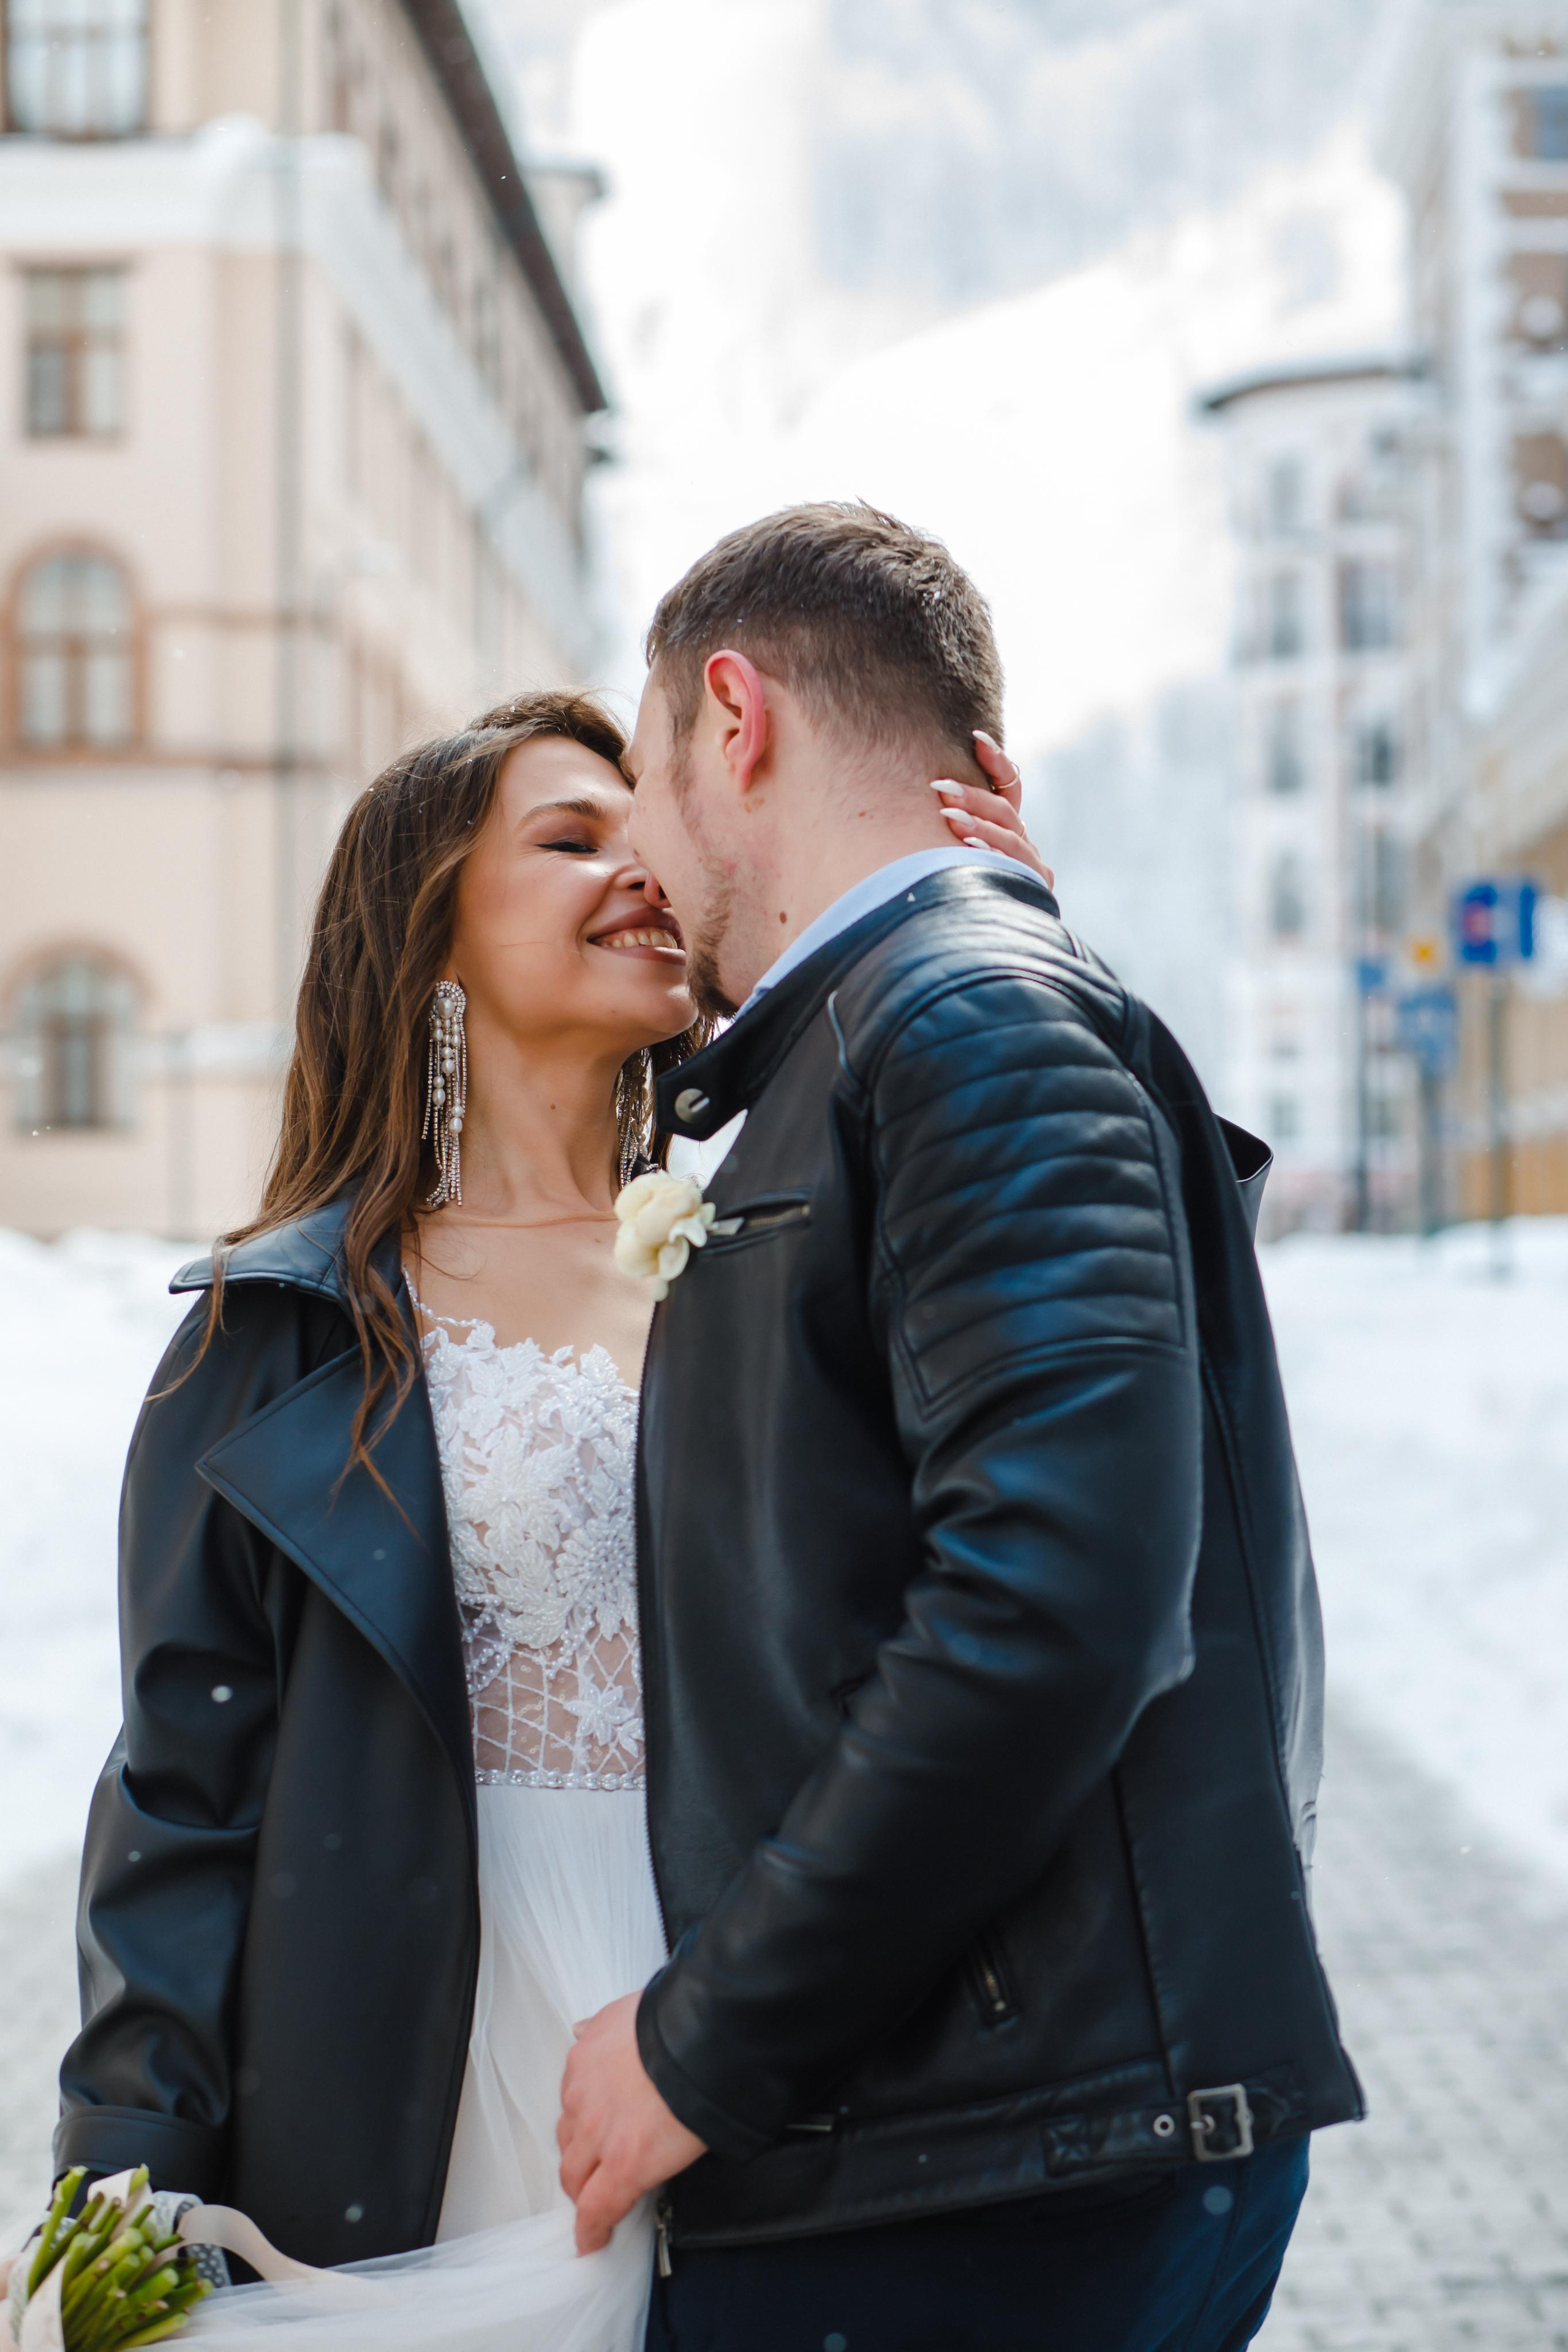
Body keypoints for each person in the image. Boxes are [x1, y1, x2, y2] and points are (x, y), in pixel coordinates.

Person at [28, 683, 1042, 2350]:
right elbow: (183, 1795)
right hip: (412, 2069)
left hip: (770, 2036)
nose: (639, 868)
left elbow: (1058, 1452)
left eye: (646, 832)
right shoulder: (272, 1336)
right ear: (428, 930)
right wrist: (123, 2184)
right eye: (570, 840)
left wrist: (1016, 977)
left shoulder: (783, 1258)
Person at [552, 503, 1364, 2352]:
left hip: (988, 2174)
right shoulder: (928, 1017)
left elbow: (1055, 1601)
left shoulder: (959, 1020)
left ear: (736, 717)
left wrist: (706, 2040)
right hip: (973, 2145)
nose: (645, 856)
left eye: (648, 777)